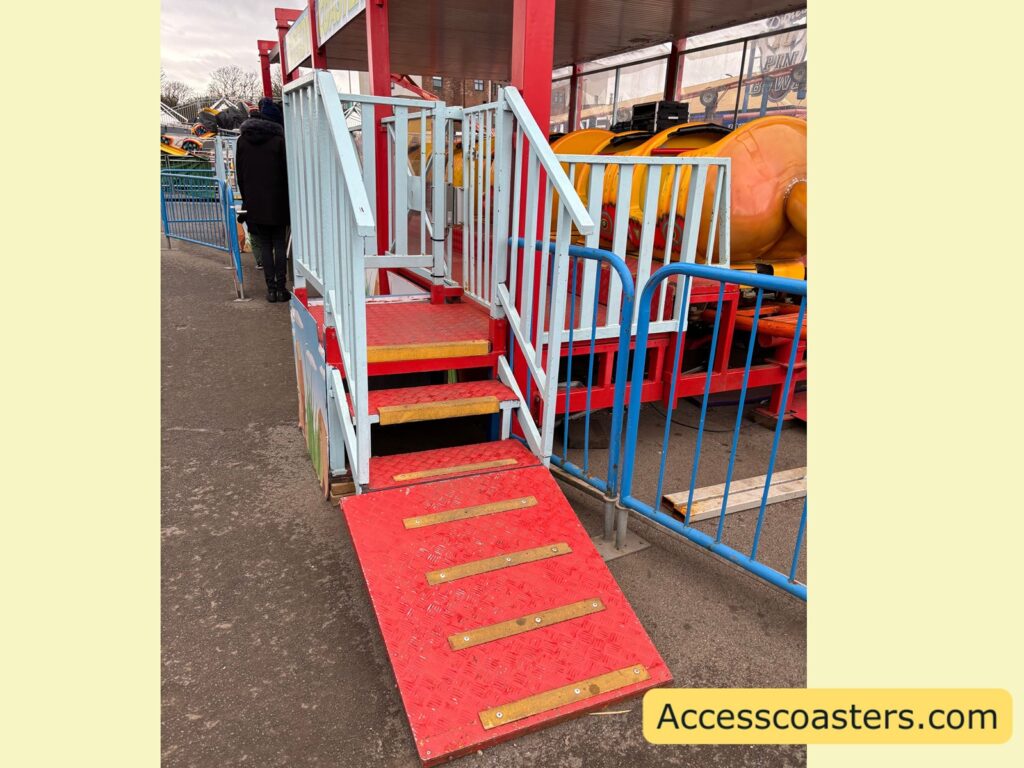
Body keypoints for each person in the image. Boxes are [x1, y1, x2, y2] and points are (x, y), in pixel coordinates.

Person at [236, 98, 290, 302]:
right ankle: (281, 288)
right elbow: (286, 173)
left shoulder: (242, 140)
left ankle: (271, 290)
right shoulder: (279, 140)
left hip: (254, 202)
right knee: (279, 245)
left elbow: (240, 174)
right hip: (278, 201)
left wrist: (247, 200)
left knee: (265, 245)